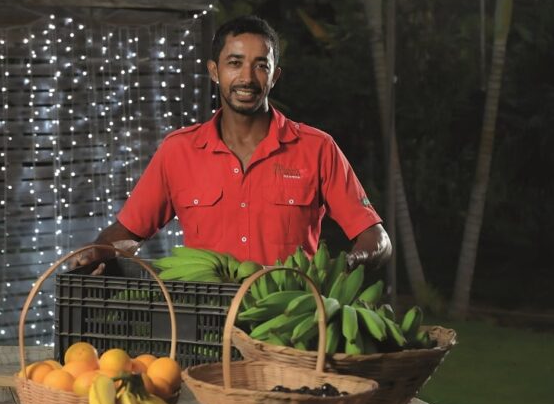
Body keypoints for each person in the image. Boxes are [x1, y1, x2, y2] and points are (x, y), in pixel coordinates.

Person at [72, 15, 391, 274]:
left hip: (291, 322)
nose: (247, 78)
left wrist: (342, 269)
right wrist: (98, 252)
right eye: (235, 63)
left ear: (274, 76)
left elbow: (376, 239)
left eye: (260, 65)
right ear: (215, 71)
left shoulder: (318, 148)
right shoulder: (178, 151)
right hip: (203, 323)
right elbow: (128, 233)